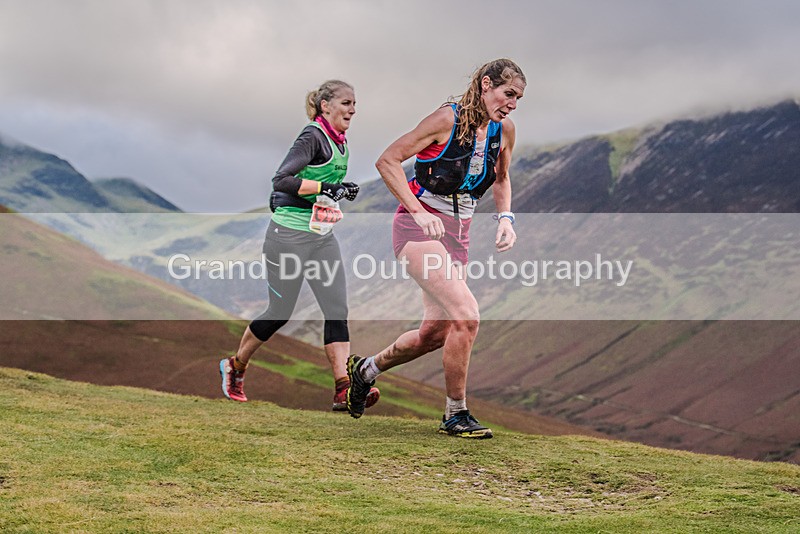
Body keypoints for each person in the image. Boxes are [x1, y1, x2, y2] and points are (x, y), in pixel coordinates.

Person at [346, 59, 525, 438]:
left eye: (519, 98)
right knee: (467, 315)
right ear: (485, 85)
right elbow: (388, 160)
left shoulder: (504, 130)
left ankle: (365, 371)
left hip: (458, 235)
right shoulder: (446, 120)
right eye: (508, 94)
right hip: (417, 226)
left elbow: (502, 177)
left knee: (435, 334)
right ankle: (455, 414)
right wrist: (416, 210)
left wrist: (506, 218)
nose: (512, 104)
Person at [220, 79, 379, 411]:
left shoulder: (341, 142)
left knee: (336, 309)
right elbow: (282, 180)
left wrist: (337, 190)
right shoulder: (312, 136)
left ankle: (343, 389)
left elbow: (320, 187)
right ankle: (235, 366)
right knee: (280, 312)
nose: (353, 109)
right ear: (325, 106)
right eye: (347, 103)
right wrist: (326, 186)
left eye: (355, 103)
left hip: (321, 236)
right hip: (288, 236)